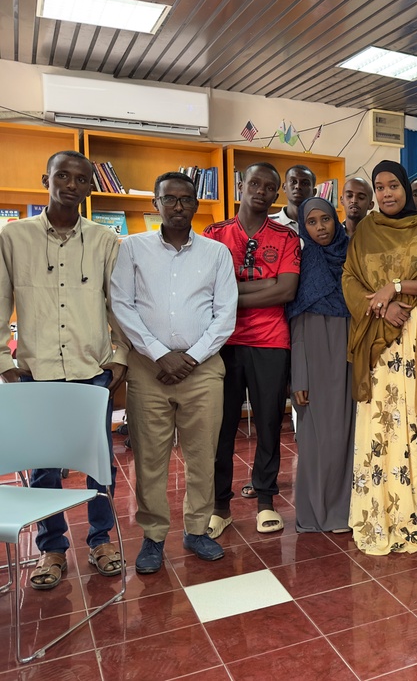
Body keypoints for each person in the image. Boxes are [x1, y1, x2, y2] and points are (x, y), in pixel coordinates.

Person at [0, 150, 129, 589]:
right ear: (46, 179)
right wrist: (4, 361)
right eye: (62, 175)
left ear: (90, 187)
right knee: (44, 469)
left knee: (99, 463)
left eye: (80, 178)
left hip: (91, 370)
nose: (71, 184)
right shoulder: (12, 238)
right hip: (35, 372)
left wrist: (120, 356)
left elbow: (119, 307)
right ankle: (52, 549)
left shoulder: (106, 241)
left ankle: (101, 539)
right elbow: (0, 303)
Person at [110, 171, 237, 573]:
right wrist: (159, 354)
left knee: (203, 455)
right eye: (170, 199)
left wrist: (192, 357)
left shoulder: (216, 253)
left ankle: (197, 529)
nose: (178, 206)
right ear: (156, 204)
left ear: (196, 205)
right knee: (150, 458)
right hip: (148, 369)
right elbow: (121, 305)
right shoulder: (132, 248)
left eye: (186, 199)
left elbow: (224, 315)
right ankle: (153, 536)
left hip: (201, 369)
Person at [343, 160, 417, 554]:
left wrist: (398, 287)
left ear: (405, 188)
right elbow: (350, 279)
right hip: (379, 343)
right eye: (380, 186)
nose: (387, 193)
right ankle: (381, 513)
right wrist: (382, 306)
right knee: (382, 429)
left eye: (393, 186)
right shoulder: (365, 231)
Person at [203, 163, 300, 537]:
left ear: (276, 194)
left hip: (271, 342)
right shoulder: (214, 235)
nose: (261, 190)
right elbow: (208, 289)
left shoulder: (286, 237)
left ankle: (264, 500)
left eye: (269, 187)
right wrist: (263, 288)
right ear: (240, 185)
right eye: (254, 183)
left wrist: (230, 295)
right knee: (221, 426)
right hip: (223, 342)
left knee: (269, 424)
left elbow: (286, 290)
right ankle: (220, 505)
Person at [288, 197, 355, 534]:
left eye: (325, 220)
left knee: (345, 436)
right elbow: (296, 326)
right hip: (313, 357)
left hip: (347, 354)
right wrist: (298, 376)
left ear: (335, 220)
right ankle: (313, 514)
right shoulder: (303, 261)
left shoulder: (352, 255)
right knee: (314, 441)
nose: (320, 228)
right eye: (312, 222)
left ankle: (343, 513)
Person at [269, 165, 317, 233]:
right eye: (293, 182)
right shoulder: (267, 223)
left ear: (314, 192)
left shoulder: (320, 226)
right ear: (284, 187)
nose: (298, 186)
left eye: (305, 183)